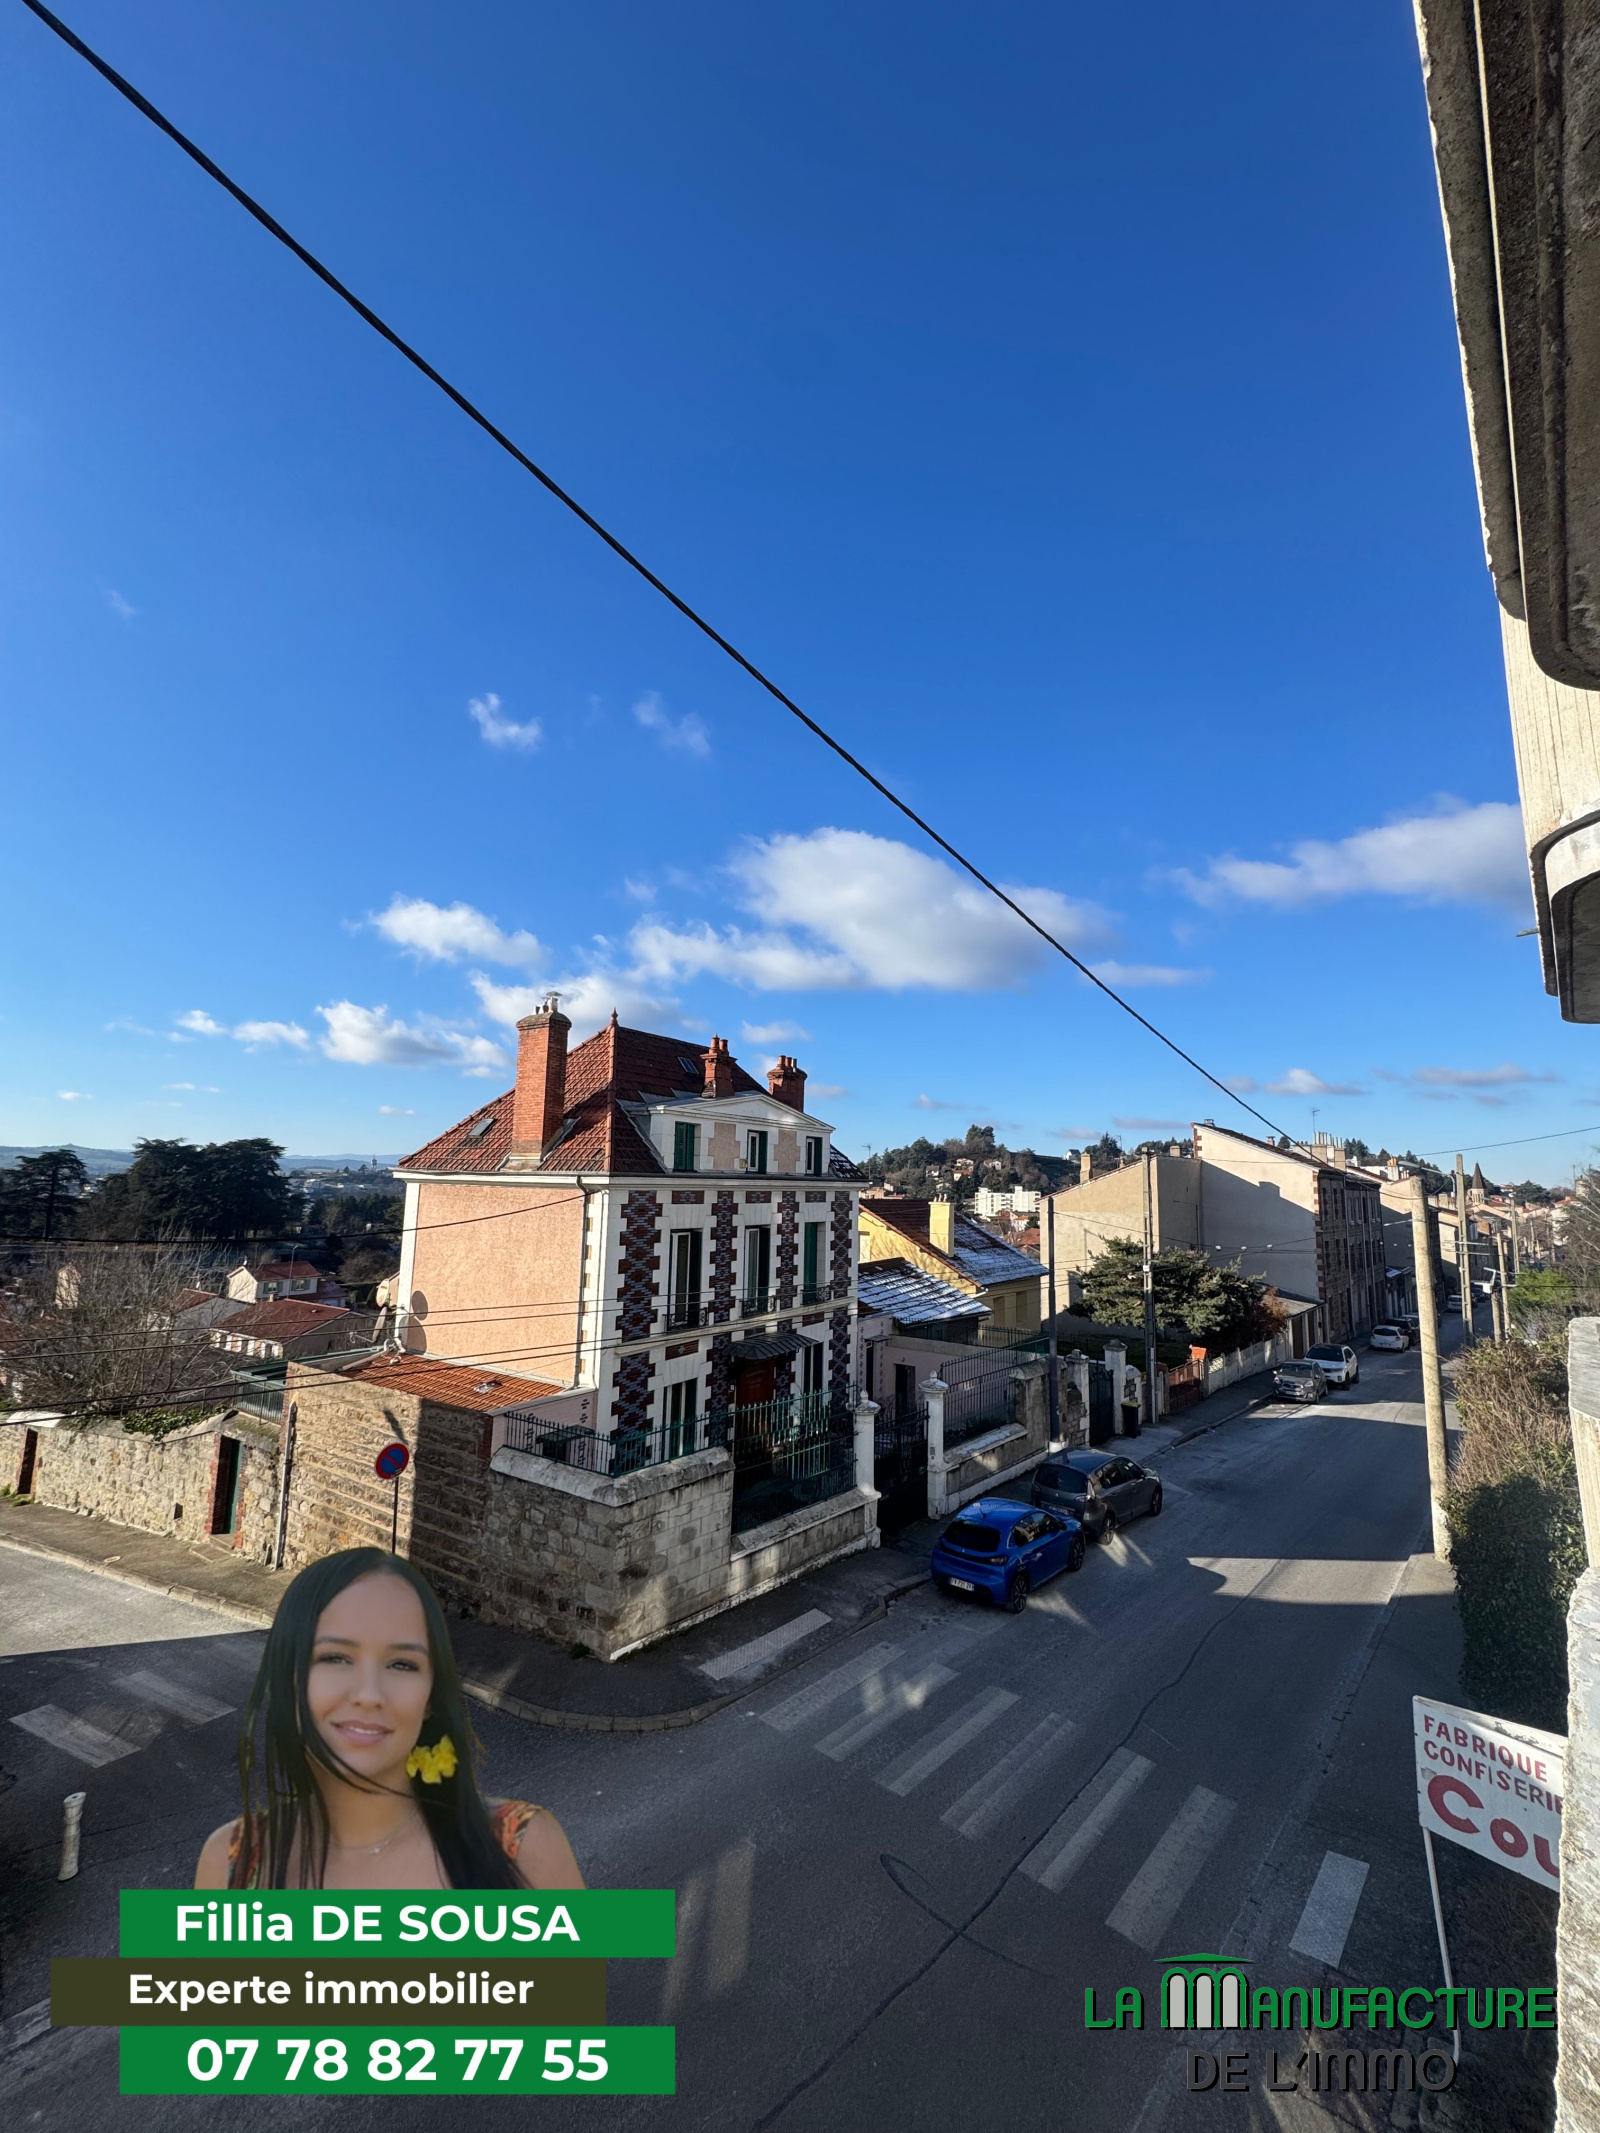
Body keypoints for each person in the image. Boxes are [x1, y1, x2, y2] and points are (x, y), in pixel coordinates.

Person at [195, 1548, 583, 1891]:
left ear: (430, 1696)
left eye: (401, 1664)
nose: (369, 1694)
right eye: (335, 1658)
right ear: (288, 1679)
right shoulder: (229, 1864)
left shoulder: (524, 1849)